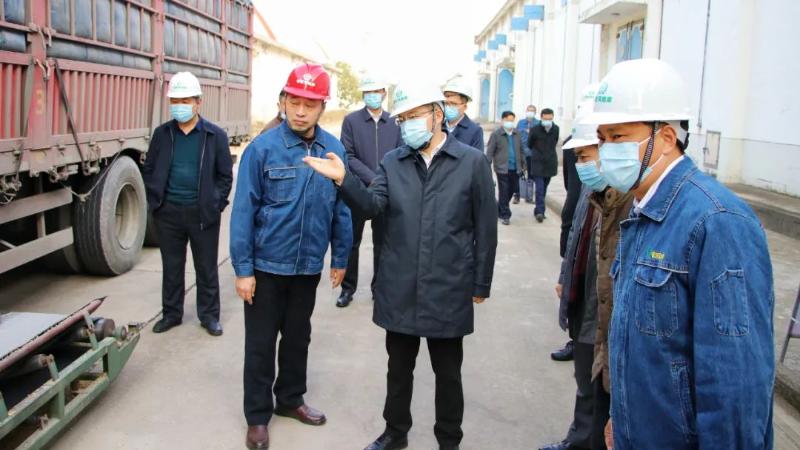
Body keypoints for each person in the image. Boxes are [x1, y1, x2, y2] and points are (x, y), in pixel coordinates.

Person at [584, 59, 775, 449]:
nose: (606, 151)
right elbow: (643, 349)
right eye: (602, 139)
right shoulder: (641, 212)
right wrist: (622, 418)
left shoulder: (718, 221)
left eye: (618, 137)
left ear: (667, 137)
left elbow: (735, 381)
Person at [303, 83, 498, 450]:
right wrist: (344, 179)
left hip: (448, 284)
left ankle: (449, 440)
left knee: (448, 372)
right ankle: (395, 432)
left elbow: (485, 228)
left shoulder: (472, 162)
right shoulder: (393, 162)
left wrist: (480, 282)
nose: (407, 125)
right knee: (398, 368)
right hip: (400, 283)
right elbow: (371, 206)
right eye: (402, 118)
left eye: (413, 116)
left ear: (437, 114)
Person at [229, 64, 353, 450]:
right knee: (261, 343)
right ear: (283, 100)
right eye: (294, 102)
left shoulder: (333, 150)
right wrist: (243, 270)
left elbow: (342, 208)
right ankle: (257, 416)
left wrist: (340, 257)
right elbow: (243, 212)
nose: (300, 111)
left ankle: (290, 399)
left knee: (299, 337)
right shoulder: (261, 149)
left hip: (308, 266)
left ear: (322, 108)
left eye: (309, 105)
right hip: (266, 267)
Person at [143, 71, 233, 337]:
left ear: (198, 102)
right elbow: (149, 169)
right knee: (172, 267)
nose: (179, 106)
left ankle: (209, 316)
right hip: (168, 213)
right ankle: (171, 314)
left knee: (206, 268)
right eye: (175, 101)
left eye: (185, 100)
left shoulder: (215, 136)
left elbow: (225, 176)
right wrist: (156, 200)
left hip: (202, 213)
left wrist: (214, 204)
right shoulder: (162, 134)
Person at [541, 120, 604, 450]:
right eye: (577, 157)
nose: (581, 165)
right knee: (585, 381)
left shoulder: (629, 200)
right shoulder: (591, 192)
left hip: (603, 311)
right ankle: (578, 440)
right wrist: (565, 278)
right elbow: (577, 238)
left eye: (585, 155)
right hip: (582, 301)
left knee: (600, 387)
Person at [337, 75, 402, 308]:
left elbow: (401, 153)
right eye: (368, 92)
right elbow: (348, 155)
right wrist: (372, 177)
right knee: (351, 241)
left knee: (382, 243)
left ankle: (379, 288)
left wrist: (383, 180)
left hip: (385, 192)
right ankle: (347, 289)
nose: (372, 95)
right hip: (357, 190)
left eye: (376, 91)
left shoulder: (395, 122)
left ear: (384, 93)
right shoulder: (351, 121)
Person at [485, 111, 524, 225]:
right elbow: (490, 152)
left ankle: (499, 209)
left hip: (515, 168)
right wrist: (486, 166)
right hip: (502, 168)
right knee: (504, 191)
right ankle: (505, 215)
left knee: (512, 190)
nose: (510, 123)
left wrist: (523, 165)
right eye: (508, 120)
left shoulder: (517, 134)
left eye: (512, 120)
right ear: (502, 120)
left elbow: (521, 150)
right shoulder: (496, 134)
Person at [528, 108, 559, 222]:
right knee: (539, 189)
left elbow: (555, 142)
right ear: (541, 118)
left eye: (550, 119)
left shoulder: (556, 129)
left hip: (550, 163)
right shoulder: (535, 129)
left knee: (544, 188)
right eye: (545, 119)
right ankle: (540, 212)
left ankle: (538, 209)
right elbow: (530, 143)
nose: (548, 121)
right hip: (538, 163)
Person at [442, 77, 484, 152]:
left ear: (464, 106)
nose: (448, 107)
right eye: (446, 104)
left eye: (453, 104)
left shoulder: (475, 130)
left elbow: (477, 158)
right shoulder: (437, 126)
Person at [516, 105, 539, 204]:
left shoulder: (538, 124)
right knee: (518, 174)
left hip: (532, 153)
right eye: (529, 110)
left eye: (532, 111)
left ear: (535, 112)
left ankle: (529, 197)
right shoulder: (521, 123)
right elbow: (516, 135)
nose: (530, 112)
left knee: (531, 175)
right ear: (526, 111)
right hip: (521, 152)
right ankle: (517, 195)